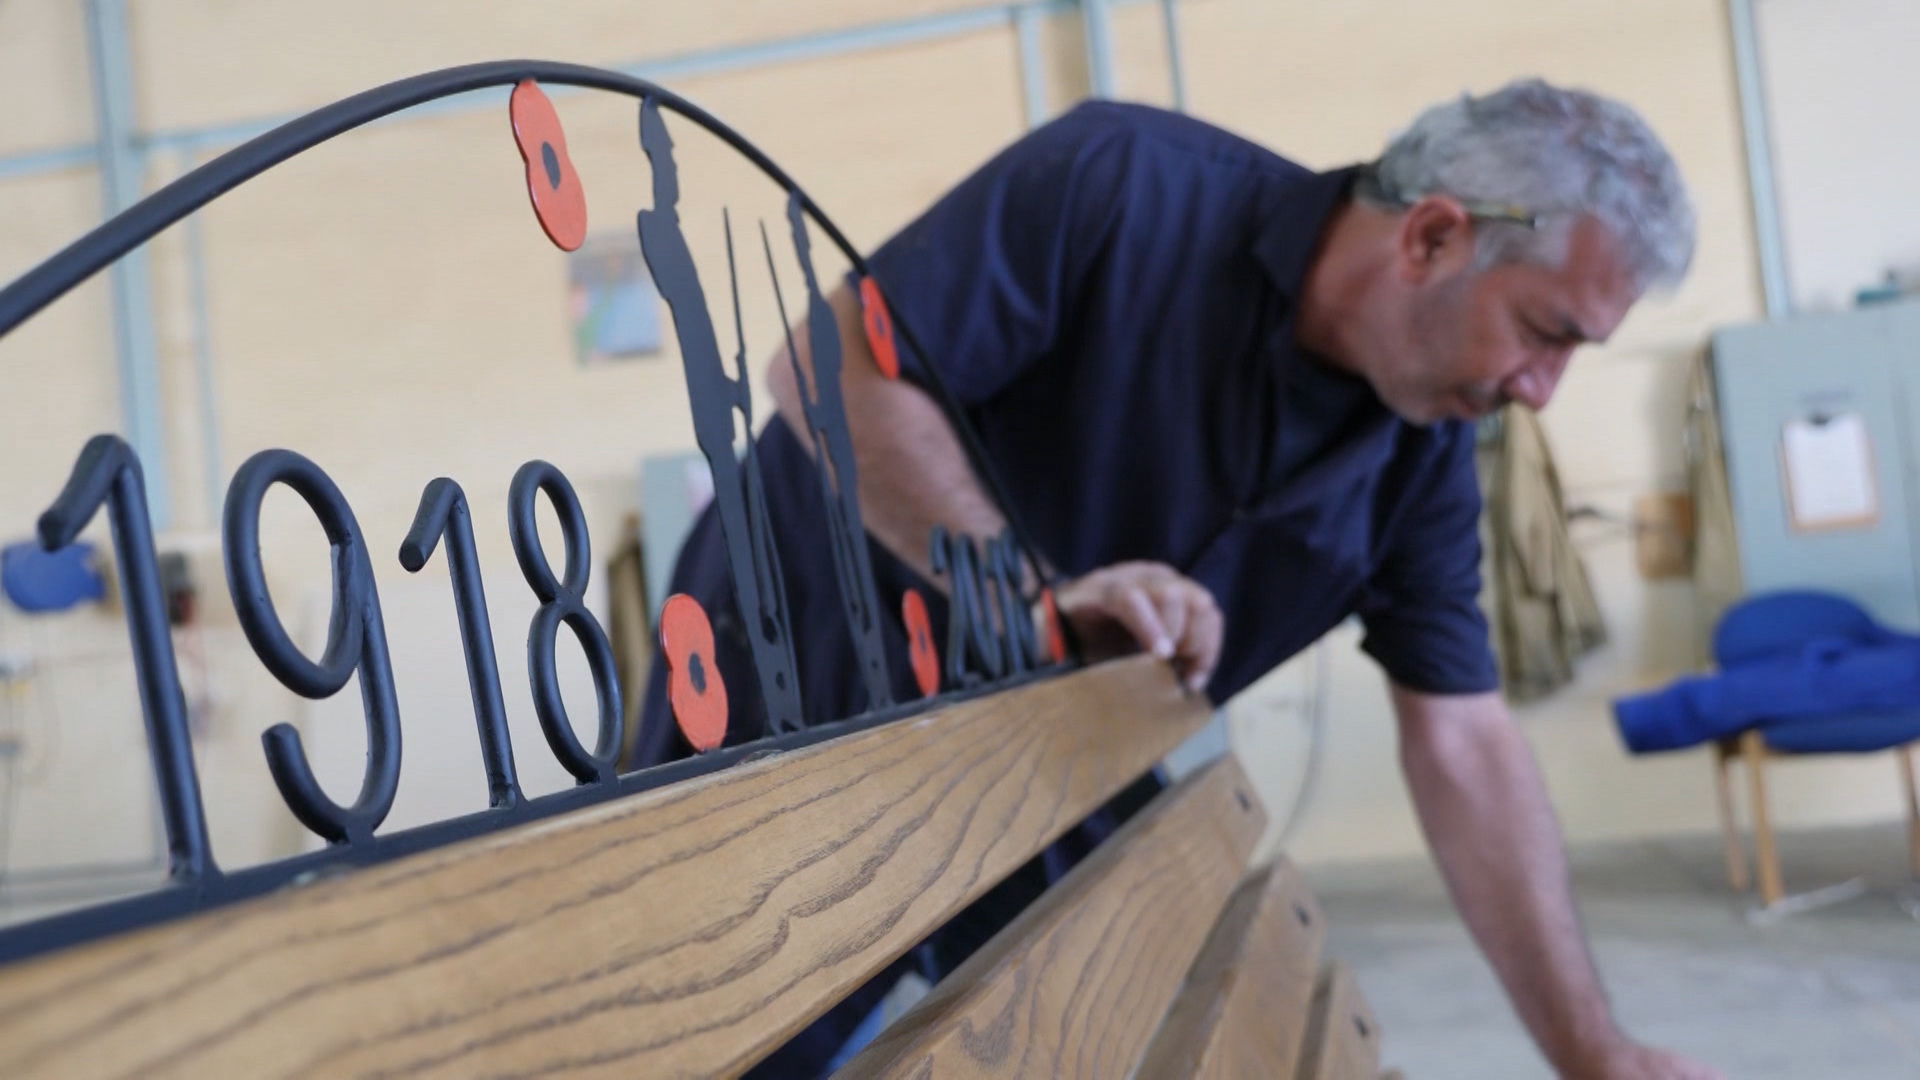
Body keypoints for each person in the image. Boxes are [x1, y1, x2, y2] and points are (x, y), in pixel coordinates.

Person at [638, 78, 1718, 1079]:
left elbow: (1464, 740)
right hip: (800, 676)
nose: (1542, 392)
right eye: (1544, 333)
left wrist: (1594, 1051)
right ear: (1433, 236)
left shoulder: (1421, 458)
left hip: (1051, 756)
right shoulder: (1122, 184)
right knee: (705, 1032)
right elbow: (822, 369)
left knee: (1165, 1018)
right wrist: (1022, 596)